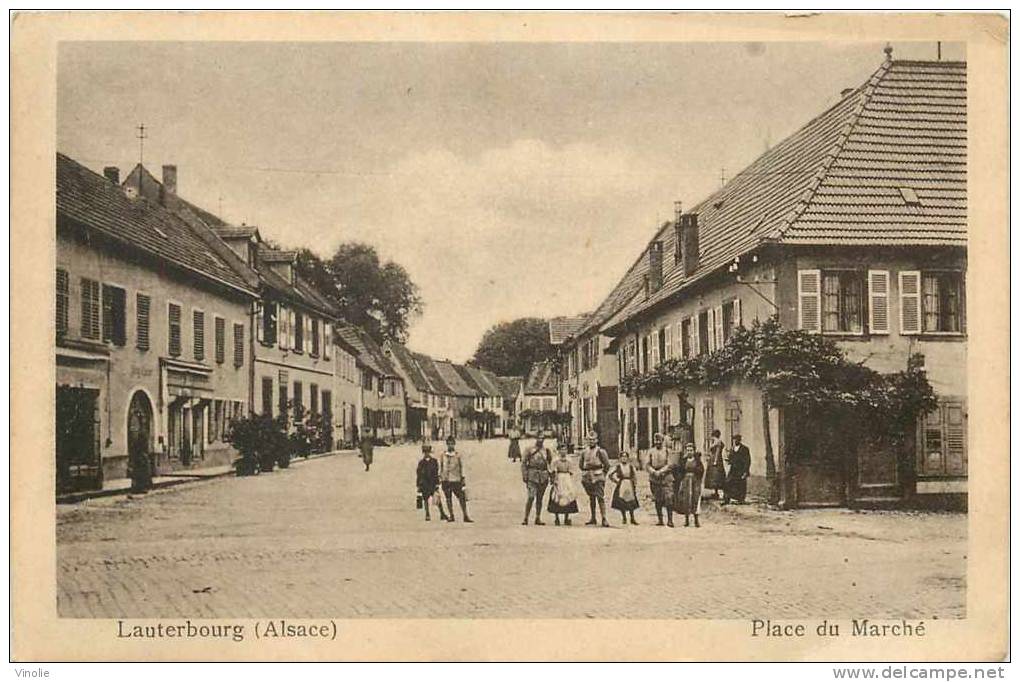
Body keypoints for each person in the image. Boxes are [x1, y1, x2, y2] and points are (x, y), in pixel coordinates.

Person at [578, 431, 611, 527]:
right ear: (587, 441)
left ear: (597, 440)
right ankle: (593, 518)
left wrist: (603, 475)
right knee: (591, 497)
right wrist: (585, 472)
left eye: (593, 439)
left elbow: (607, 465)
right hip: (587, 476)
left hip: (598, 476)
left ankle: (604, 518)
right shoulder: (584, 452)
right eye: (590, 440)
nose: (591, 441)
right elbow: (581, 465)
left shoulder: (601, 451)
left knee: (600, 497)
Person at [521, 432, 553, 525]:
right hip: (532, 475)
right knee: (531, 497)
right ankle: (526, 517)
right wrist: (525, 475)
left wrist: (551, 476)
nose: (541, 440)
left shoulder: (546, 451)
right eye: (539, 438)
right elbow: (524, 463)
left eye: (542, 438)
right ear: (536, 438)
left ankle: (538, 517)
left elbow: (550, 464)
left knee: (540, 498)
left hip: (543, 476)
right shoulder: (530, 450)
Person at [439, 435, 472, 523]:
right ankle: (451, 515)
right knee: (448, 498)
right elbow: (441, 467)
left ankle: (465, 515)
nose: (450, 446)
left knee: (461, 498)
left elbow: (462, 467)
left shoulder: (458, 455)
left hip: (456, 479)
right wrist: (440, 477)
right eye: (449, 444)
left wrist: (463, 478)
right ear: (447, 444)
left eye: (452, 444)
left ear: (454, 444)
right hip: (446, 479)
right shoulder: (443, 455)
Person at [646, 433, 675, 527]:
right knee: (658, 499)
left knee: (669, 498)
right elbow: (647, 464)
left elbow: (670, 464)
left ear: (663, 441)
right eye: (656, 440)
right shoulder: (650, 451)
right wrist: (653, 471)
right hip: (654, 478)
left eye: (659, 440)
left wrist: (661, 471)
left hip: (666, 477)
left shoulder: (667, 451)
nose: (657, 442)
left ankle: (670, 520)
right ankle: (660, 519)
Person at [416, 442, 449, 521]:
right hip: (424, 483)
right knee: (426, 499)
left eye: (428, 451)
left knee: (437, 499)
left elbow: (436, 472)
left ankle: (442, 513)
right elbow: (419, 474)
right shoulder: (421, 463)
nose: (427, 453)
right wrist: (418, 485)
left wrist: (437, 483)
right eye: (425, 451)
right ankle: (427, 514)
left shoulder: (434, 461)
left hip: (432, 483)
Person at [676, 442, 705, 527]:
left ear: (694, 451)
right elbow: (679, 471)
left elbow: (701, 471)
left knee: (695, 499)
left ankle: (696, 520)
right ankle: (687, 520)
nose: (689, 452)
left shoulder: (697, 461)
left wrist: (696, 473)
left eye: (691, 450)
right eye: (688, 450)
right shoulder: (683, 460)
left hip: (695, 482)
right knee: (686, 500)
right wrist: (681, 479)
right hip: (685, 481)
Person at [547, 448, 579, 525]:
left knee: (568, 495)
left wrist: (568, 480)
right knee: (557, 496)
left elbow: (571, 471)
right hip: (558, 477)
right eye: (561, 449)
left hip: (567, 478)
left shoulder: (569, 460)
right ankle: (557, 518)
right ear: (559, 451)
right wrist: (554, 479)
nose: (563, 451)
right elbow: (552, 470)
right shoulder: (556, 460)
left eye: (565, 450)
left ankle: (566, 517)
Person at [609, 451, 640, 525]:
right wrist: (616, 481)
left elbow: (635, 476)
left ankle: (632, 518)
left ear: (628, 458)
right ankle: (624, 518)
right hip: (622, 484)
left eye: (625, 457)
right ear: (620, 458)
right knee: (622, 501)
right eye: (622, 457)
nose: (624, 458)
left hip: (629, 484)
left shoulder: (631, 466)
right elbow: (610, 474)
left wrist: (635, 484)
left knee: (631, 501)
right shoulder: (618, 466)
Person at [723, 434, 751, 505]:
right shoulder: (732, 448)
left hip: (741, 469)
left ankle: (741, 499)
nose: (735, 441)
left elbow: (747, 460)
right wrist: (728, 460)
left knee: (741, 485)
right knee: (728, 482)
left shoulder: (745, 449)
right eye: (734, 439)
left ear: (740, 440)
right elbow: (731, 458)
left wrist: (745, 471)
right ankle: (727, 499)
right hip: (733, 470)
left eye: (737, 439)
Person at [704, 429, 727, 498]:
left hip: (716, 459)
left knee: (716, 476)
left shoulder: (718, 442)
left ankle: (719, 492)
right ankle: (715, 492)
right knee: (713, 476)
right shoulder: (716, 441)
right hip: (713, 458)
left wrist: (715, 461)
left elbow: (717, 452)